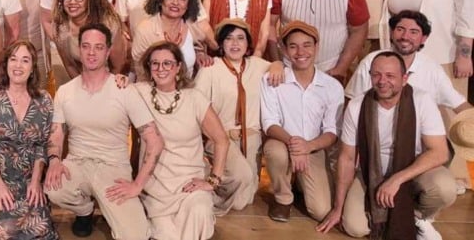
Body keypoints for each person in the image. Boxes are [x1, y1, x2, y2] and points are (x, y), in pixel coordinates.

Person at [317, 52, 457, 240]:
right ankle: (388, 214)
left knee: (445, 187)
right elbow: (347, 158)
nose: (382, 81)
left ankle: (417, 218)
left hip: (412, 170)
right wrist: (337, 208)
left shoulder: (422, 101)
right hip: (370, 172)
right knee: (355, 227)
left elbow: (440, 153)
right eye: (376, 75)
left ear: (404, 78)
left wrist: (397, 179)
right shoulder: (357, 106)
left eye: (390, 76)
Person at [44, 23, 163, 240]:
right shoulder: (65, 91)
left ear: (108, 51)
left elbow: (154, 141)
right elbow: (57, 133)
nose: (91, 53)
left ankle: (115, 209)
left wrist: (138, 185)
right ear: (79, 49)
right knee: (54, 188)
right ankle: (84, 211)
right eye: (86, 46)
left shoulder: (124, 89)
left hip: (112, 168)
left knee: (135, 236)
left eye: (98, 47)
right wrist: (53, 160)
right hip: (78, 163)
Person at [347, 10, 473, 193]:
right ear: (391, 32)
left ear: (424, 38)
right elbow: (351, 104)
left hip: (415, 156)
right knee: (354, 222)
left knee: (443, 178)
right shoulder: (370, 62)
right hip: (375, 152)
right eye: (400, 29)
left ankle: (420, 211)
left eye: (413, 32)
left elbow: (460, 105)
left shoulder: (431, 69)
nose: (405, 36)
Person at [135, 41, 229, 240]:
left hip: (189, 185)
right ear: (148, 67)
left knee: (199, 211)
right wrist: (119, 78)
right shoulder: (138, 92)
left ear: (178, 67)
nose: (161, 69)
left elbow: (222, 140)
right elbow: (112, 88)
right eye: (155, 64)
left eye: (167, 63)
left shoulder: (194, 98)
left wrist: (212, 180)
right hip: (155, 190)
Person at [193, 19, 283, 208]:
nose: (235, 44)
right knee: (242, 176)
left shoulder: (258, 66)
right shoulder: (211, 68)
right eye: (229, 38)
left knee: (245, 200)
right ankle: (205, 187)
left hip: (251, 138)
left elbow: (278, 68)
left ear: (248, 43)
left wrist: (277, 64)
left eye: (240, 38)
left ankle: (218, 184)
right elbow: (197, 108)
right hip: (221, 137)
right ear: (221, 43)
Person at [260, 21, 344, 223]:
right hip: (282, 141)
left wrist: (308, 146)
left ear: (317, 47)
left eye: (307, 45)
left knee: (321, 211)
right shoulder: (273, 80)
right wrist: (295, 144)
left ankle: (299, 184)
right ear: (284, 50)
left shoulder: (331, 86)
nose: (300, 52)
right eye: (293, 46)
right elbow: (269, 123)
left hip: (314, 148)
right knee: (275, 152)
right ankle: (283, 198)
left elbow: (332, 131)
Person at [0, 40, 57, 240]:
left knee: (41, 229)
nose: (18, 66)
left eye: (25, 60)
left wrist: (36, 181)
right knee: (5, 231)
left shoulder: (44, 100)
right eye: (13, 59)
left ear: (32, 68)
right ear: (6, 64)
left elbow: (41, 145)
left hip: (28, 179)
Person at [49, 0, 127, 79]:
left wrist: (104, 89)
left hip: (110, 81)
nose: (72, 2)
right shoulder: (60, 29)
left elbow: (117, 66)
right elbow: (70, 65)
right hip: (81, 81)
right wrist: (83, 88)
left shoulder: (109, 24)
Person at [131, 0, 214, 79]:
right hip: (153, 91)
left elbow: (198, 46)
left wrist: (200, 55)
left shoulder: (192, 26)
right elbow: (140, 70)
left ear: (188, 5)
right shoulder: (145, 30)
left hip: (188, 89)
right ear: (160, 1)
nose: (175, 2)